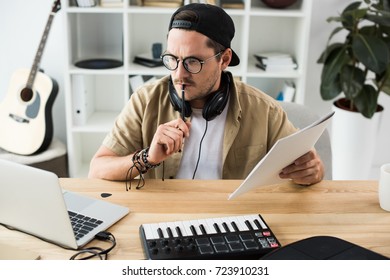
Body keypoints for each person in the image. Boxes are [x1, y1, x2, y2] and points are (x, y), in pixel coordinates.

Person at [88, 3, 324, 186]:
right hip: (162, 220)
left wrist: (313, 171)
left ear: (225, 59)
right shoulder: (145, 100)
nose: (179, 73)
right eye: (172, 59)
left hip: (232, 220)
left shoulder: (265, 109)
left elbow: (311, 166)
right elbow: (97, 169)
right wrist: (148, 157)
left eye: (193, 61)